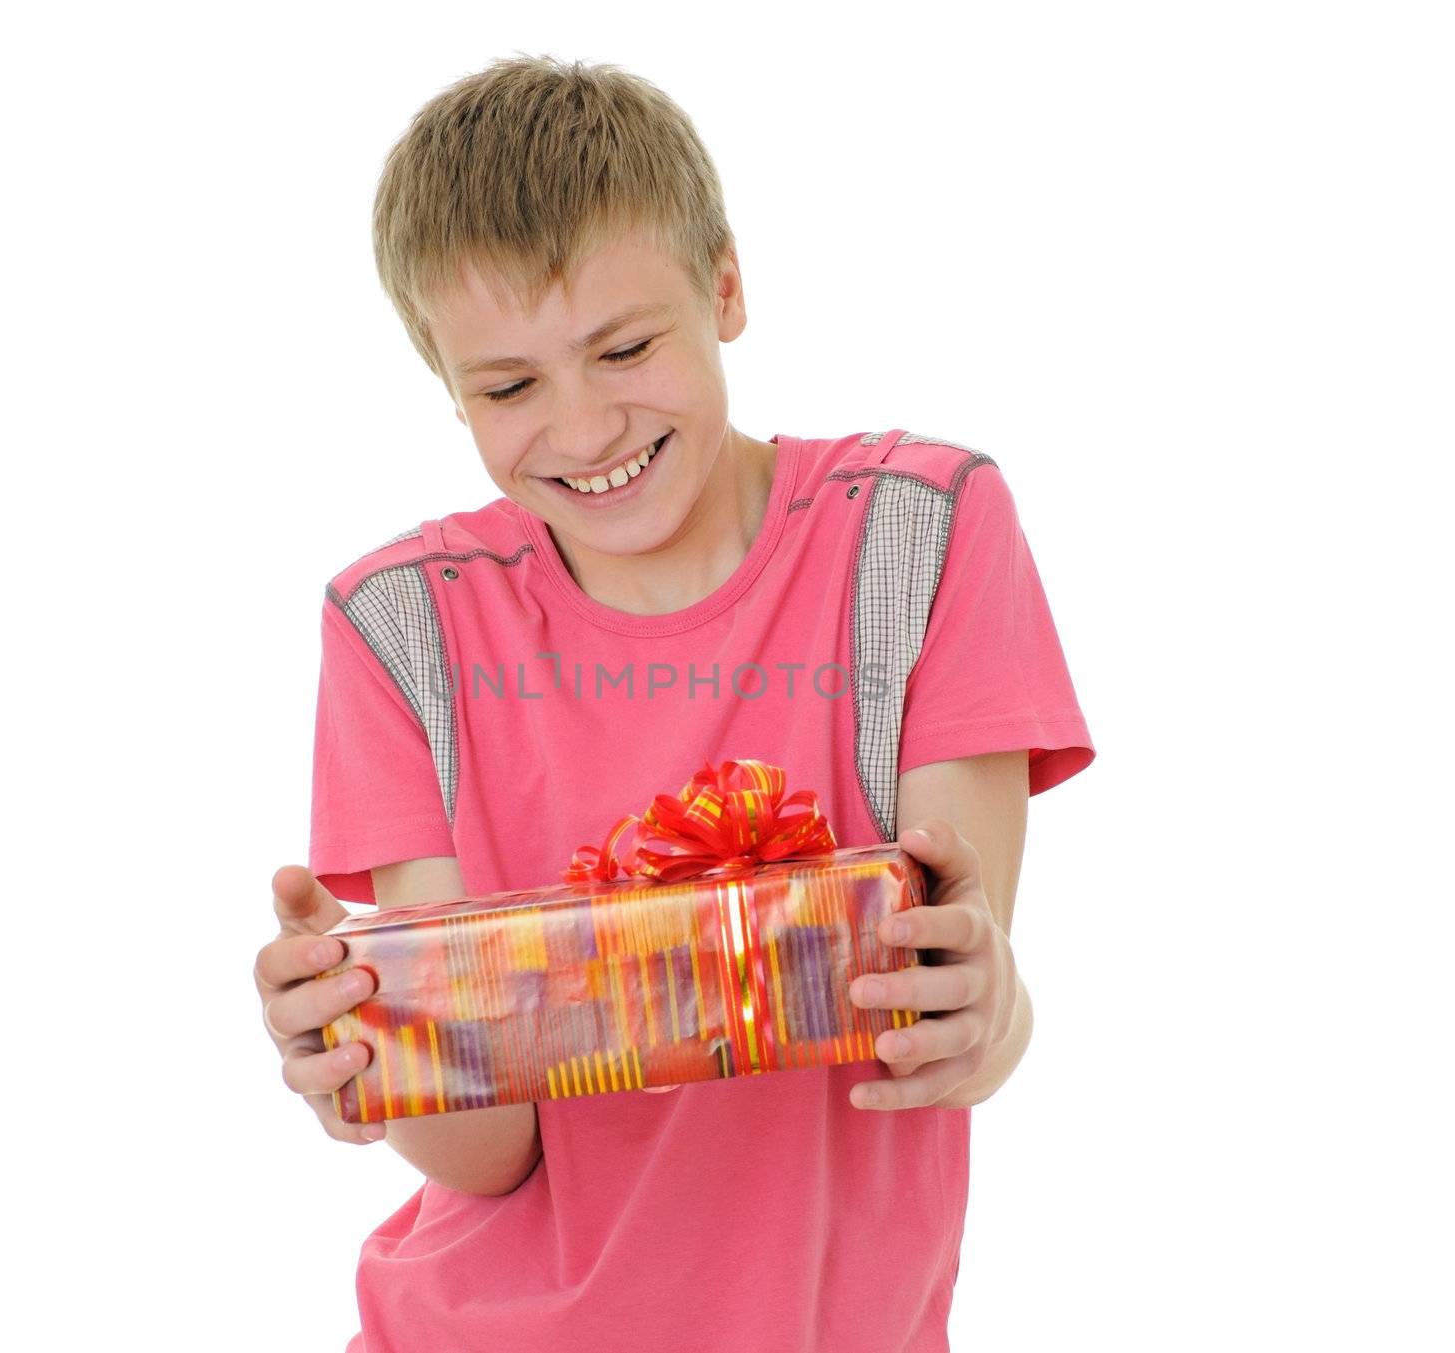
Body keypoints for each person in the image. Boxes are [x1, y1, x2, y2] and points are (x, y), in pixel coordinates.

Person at [251, 53, 1095, 1353]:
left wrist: (990, 999)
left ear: (726, 287)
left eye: (626, 347)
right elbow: (482, 1150)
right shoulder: (398, 622)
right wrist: (374, 1045)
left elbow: (948, 1029)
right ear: (447, 385)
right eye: (510, 386)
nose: (583, 428)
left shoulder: (920, 533)